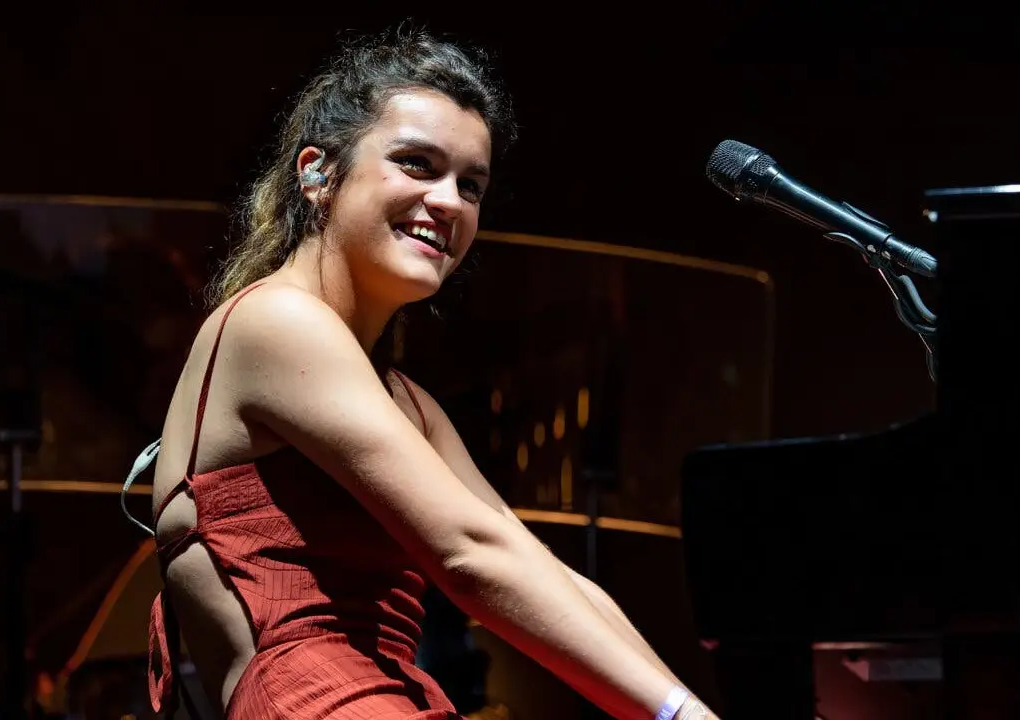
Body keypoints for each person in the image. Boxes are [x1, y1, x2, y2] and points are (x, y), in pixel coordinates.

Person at [121, 27, 720, 720]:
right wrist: (676, 714)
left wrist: (688, 708)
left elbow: (536, 568)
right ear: (316, 172)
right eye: (417, 164)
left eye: (471, 185)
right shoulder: (275, 322)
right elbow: (469, 553)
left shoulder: (406, 401)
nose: (450, 202)